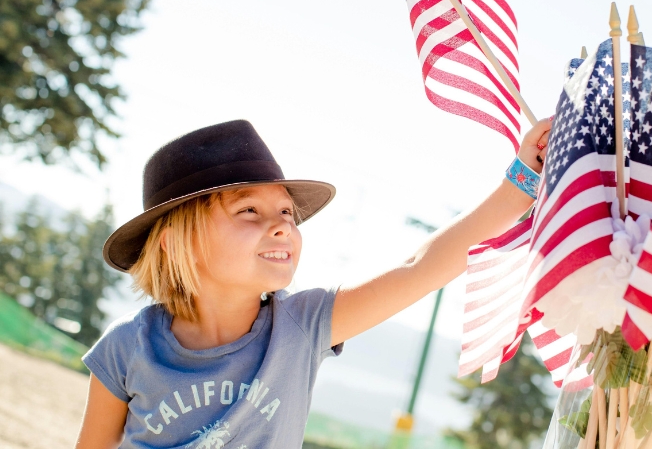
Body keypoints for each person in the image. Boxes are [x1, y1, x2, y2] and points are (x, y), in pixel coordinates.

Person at [74, 118, 551, 448]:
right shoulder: (125, 348)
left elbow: (419, 268)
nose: (282, 226)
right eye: (248, 211)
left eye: (286, 212)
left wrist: (522, 181)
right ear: (176, 242)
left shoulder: (303, 327)